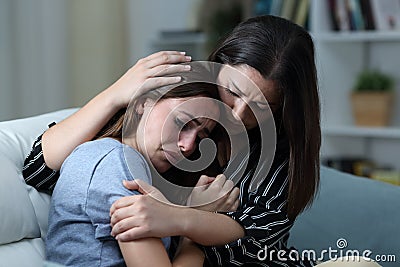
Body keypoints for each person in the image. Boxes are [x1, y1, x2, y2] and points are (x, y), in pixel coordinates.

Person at [23, 16, 322, 266]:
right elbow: (39, 170)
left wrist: (184, 217)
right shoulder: (125, 155)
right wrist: (116, 94)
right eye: (234, 91)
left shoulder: (277, 157)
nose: (236, 113)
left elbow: (253, 238)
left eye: (260, 107)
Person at [45, 78, 241, 267]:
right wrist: (196, 227)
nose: (187, 146)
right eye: (182, 122)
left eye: (200, 137)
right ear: (144, 103)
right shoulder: (114, 161)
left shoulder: (134, 165)